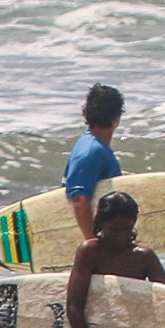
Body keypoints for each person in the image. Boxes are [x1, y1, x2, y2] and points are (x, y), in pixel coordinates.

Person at [67, 191, 165, 328]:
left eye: (126, 229)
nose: (121, 237)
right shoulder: (90, 252)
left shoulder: (144, 257)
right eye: (114, 230)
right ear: (101, 224)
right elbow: (74, 308)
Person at [64, 84, 126, 240]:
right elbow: (79, 199)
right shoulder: (91, 150)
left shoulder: (94, 147)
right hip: (94, 244)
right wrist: (93, 244)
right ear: (116, 118)